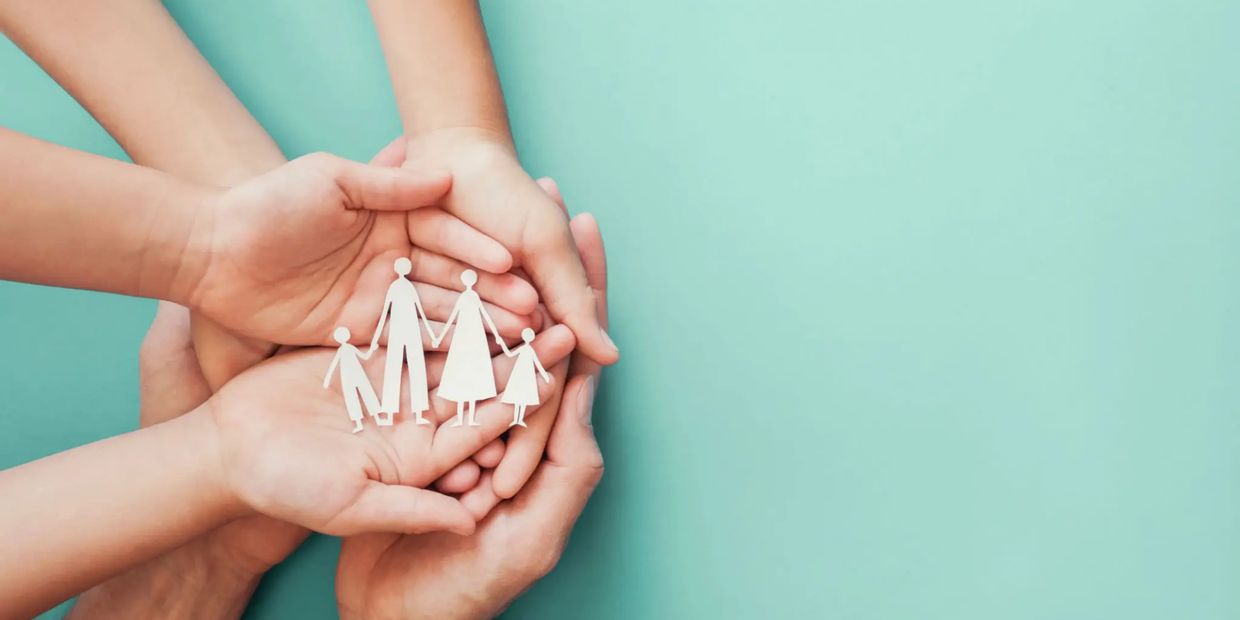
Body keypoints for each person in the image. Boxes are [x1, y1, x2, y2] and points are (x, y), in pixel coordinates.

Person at [433, 269, 511, 427]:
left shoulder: (473, 297)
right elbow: (453, 316)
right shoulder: (466, 297)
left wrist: (496, 334)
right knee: (462, 373)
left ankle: (470, 418)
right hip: (464, 336)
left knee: (473, 373)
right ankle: (462, 418)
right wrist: (440, 337)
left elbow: (484, 315)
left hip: (474, 336)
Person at [369, 257, 437, 425]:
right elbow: (385, 311)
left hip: (411, 330)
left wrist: (432, 334)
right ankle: (392, 414)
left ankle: (419, 413)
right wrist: (376, 337)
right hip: (399, 331)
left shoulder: (407, 287)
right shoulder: (397, 287)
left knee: (415, 369)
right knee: (396, 369)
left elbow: (420, 310)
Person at [325, 326, 382, 433]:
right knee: (352, 398)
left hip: (358, 373)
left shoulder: (350, 347)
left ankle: (377, 419)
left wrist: (372, 349)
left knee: (367, 393)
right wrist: (328, 378)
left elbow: (364, 356)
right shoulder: (341, 350)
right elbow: (334, 364)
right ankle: (359, 424)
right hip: (347, 377)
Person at [501, 328, 553, 427]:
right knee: (517, 396)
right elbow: (509, 354)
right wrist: (502, 344)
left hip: (527, 374)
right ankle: (516, 419)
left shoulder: (530, 350)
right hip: (519, 372)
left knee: (524, 397)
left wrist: (545, 375)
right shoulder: (523, 348)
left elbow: (537, 363)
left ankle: (519, 419)